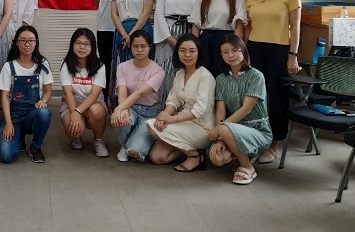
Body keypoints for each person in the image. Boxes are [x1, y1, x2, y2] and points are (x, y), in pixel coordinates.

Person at [245, 0, 300, 165]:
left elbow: (296, 27)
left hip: (280, 50)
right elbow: (249, 26)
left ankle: (274, 143)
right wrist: (244, 53)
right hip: (255, 49)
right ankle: (255, 139)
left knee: (277, 97)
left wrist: (293, 55)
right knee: (255, 96)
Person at [207, 34, 272, 185]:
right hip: (232, 129)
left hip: (258, 130)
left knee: (224, 129)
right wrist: (221, 138)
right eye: (225, 52)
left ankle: (247, 167)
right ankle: (242, 154)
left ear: (243, 50)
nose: (230, 55)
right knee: (217, 159)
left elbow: (246, 109)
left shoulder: (256, 76)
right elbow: (220, 111)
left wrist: (221, 129)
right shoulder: (221, 79)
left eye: (235, 50)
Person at [146, 34, 215, 172]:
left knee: (151, 126)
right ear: (177, 52)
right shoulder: (180, 74)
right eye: (183, 50)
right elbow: (173, 100)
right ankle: (194, 150)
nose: (187, 55)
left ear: (199, 52)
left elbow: (199, 110)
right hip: (185, 124)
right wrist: (164, 116)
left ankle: (194, 156)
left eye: (192, 51)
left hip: (203, 128)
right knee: (157, 157)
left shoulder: (205, 76)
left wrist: (171, 119)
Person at [153, 0, 205, 110]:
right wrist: (168, 38)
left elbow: (201, 14)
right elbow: (159, 13)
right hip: (168, 32)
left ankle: (187, 111)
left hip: (190, 32)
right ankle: (165, 109)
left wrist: (193, 38)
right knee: (166, 71)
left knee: (188, 70)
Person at [0, 26, 53, 164]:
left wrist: (43, 101)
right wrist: (8, 123)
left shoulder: (42, 64)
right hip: (14, 116)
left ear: (36, 42)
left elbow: (48, 90)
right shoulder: (9, 66)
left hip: (33, 114)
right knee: (6, 155)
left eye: (31, 40)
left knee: (44, 113)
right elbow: (4, 96)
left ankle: (36, 147)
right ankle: (19, 136)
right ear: (17, 42)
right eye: (23, 40)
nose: (27, 44)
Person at [108, 0, 155, 110]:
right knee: (123, 67)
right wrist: (124, 34)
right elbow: (114, 14)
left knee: (141, 66)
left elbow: (146, 12)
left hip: (141, 29)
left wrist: (132, 34)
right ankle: (122, 105)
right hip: (121, 31)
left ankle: (142, 104)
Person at [111, 30, 164, 163]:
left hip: (150, 113)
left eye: (143, 46)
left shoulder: (158, 71)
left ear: (150, 47)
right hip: (131, 108)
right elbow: (122, 91)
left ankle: (134, 142)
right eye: (135, 46)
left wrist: (119, 108)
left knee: (135, 152)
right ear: (130, 47)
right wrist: (122, 109)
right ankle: (125, 145)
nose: (139, 50)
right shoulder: (122, 67)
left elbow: (139, 93)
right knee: (120, 118)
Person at [190, 0, 246, 76]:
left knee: (225, 74)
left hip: (227, 41)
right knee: (204, 75)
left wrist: (235, 49)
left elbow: (239, 27)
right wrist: (193, 47)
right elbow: (195, 25)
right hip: (205, 40)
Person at [59, 28, 109, 157]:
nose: (82, 47)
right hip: (72, 103)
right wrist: (74, 112)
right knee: (72, 130)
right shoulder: (65, 64)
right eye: (78, 43)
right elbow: (68, 93)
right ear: (72, 44)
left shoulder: (99, 65)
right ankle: (76, 138)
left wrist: (78, 112)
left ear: (92, 46)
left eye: (86, 44)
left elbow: (94, 95)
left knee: (96, 111)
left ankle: (98, 140)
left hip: (93, 104)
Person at [91, 0, 125, 96]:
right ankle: (106, 98)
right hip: (104, 27)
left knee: (124, 63)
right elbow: (96, 2)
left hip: (124, 28)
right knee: (105, 63)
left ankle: (121, 96)